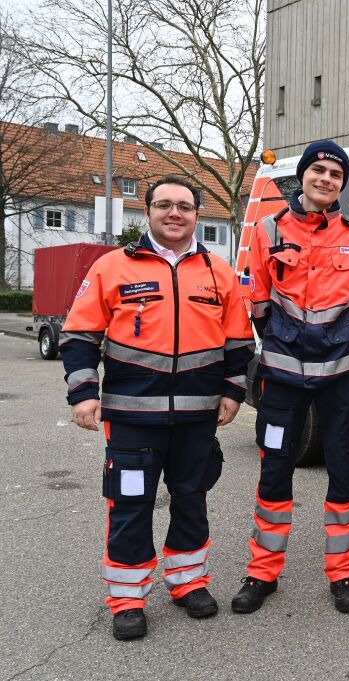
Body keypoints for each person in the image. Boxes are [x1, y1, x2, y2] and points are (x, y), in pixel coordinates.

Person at [61, 174, 254, 641]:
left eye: (185, 207)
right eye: (164, 204)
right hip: (131, 421)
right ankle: (128, 599)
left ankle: (188, 583)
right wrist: (84, 392)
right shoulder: (112, 268)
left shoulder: (218, 271)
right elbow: (79, 334)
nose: (175, 213)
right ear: (146, 211)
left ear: (196, 215)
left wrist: (232, 393)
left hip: (197, 419)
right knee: (129, 505)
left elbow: (239, 341)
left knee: (192, 500)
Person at [232, 140, 349, 616]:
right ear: (305, 175)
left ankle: (343, 574)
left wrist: (330, 342)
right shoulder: (269, 228)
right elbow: (258, 297)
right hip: (283, 373)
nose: (326, 178)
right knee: (275, 469)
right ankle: (262, 572)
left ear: (342, 183)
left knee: (343, 471)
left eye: (336, 173)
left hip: (339, 375)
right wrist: (286, 338)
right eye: (319, 169)